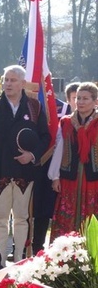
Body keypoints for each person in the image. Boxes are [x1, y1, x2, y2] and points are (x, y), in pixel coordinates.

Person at [0, 65, 50, 271]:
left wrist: (32, 156)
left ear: (23, 83)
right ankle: (0, 260)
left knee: (22, 217)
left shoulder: (34, 106)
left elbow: (45, 137)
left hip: (25, 172)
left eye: (13, 80)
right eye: (6, 80)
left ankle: (19, 261)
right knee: (0, 217)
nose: (8, 84)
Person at [49, 82, 98, 237]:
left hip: (93, 178)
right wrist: (55, 176)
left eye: (85, 98)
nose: (81, 102)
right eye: (78, 98)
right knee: (67, 214)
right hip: (70, 177)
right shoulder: (66, 122)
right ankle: (67, 255)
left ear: (95, 101)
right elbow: (59, 149)